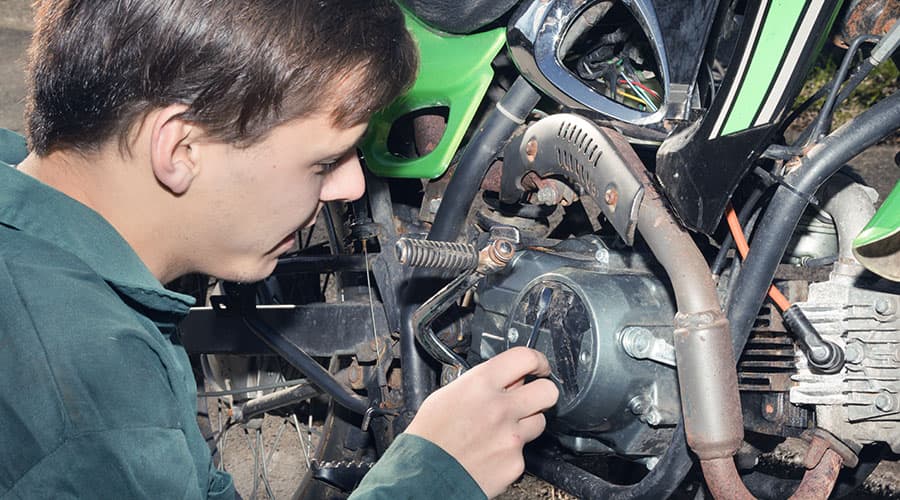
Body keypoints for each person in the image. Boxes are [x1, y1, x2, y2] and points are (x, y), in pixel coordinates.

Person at [0, 1, 559, 499]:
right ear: (180, 149)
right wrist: (435, 476)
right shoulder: (88, 425)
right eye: (322, 163)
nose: (351, 187)